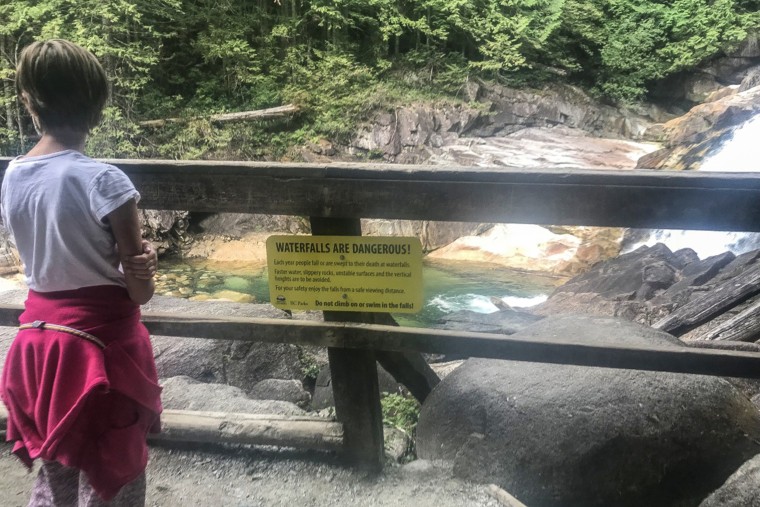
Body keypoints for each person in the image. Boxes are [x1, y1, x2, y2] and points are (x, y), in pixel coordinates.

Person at [0, 39, 163, 506]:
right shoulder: (105, 180)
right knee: (115, 472)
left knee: (58, 474)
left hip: (40, 347)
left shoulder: (13, 175)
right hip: (104, 353)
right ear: (98, 104)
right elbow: (139, 291)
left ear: (29, 102)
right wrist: (145, 265)